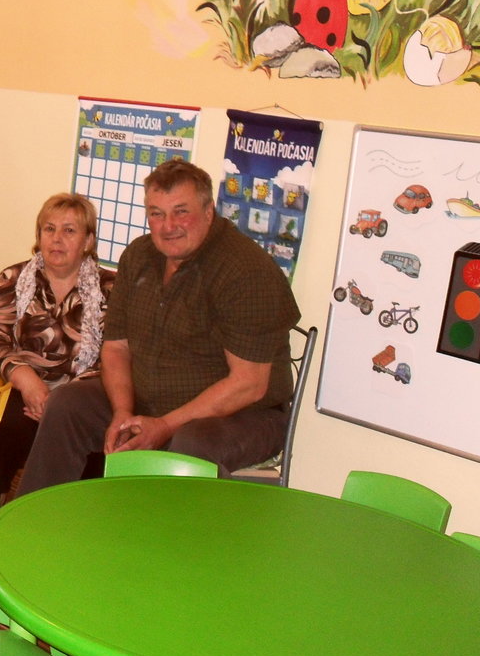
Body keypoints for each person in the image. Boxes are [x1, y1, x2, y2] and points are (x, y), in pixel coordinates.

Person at [16, 159, 300, 493]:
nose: (168, 226)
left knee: (191, 444)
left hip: (243, 416)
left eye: (181, 212)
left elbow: (248, 384)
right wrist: (122, 411)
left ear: (209, 211)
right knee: (67, 404)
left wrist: (165, 425)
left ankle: (158, 527)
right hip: (149, 399)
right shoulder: (138, 256)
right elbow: (116, 347)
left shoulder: (245, 271)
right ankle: (38, 518)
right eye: (156, 213)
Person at [0, 193, 112, 497]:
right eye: (49, 229)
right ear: (39, 236)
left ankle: (72, 510)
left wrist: (63, 400)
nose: (57, 239)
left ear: (88, 241)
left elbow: (115, 358)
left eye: (69, 230)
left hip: (81, 394)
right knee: (12, 423)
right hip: (22, 386)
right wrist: (26, 380)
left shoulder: (111, 288)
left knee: (95, 436)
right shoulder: (13, 278)